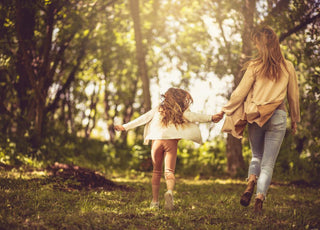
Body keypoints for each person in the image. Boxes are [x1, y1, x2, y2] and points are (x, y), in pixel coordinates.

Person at [218, 25, 300, 213]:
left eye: (257, 44)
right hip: (278, 115)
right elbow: (293, 96)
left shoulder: (255, 66)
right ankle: (259, 199)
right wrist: (294, 118)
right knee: (268, 163)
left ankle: (250, 183)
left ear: (262, 45)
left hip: (256, 116)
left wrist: (226, 109)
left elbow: (240, 93)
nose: (256, 48)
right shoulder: (288, 66)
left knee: (256, 155)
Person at [114, 87, 223, 210]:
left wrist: (124, 127)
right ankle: (169, 192)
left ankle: (155, 202)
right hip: (171, 142)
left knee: (156, 172)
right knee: (169, 171)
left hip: (156, 141)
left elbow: (143, 118)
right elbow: (194, 117)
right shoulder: (181, 111)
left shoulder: (158, 109)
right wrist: (211, 118)